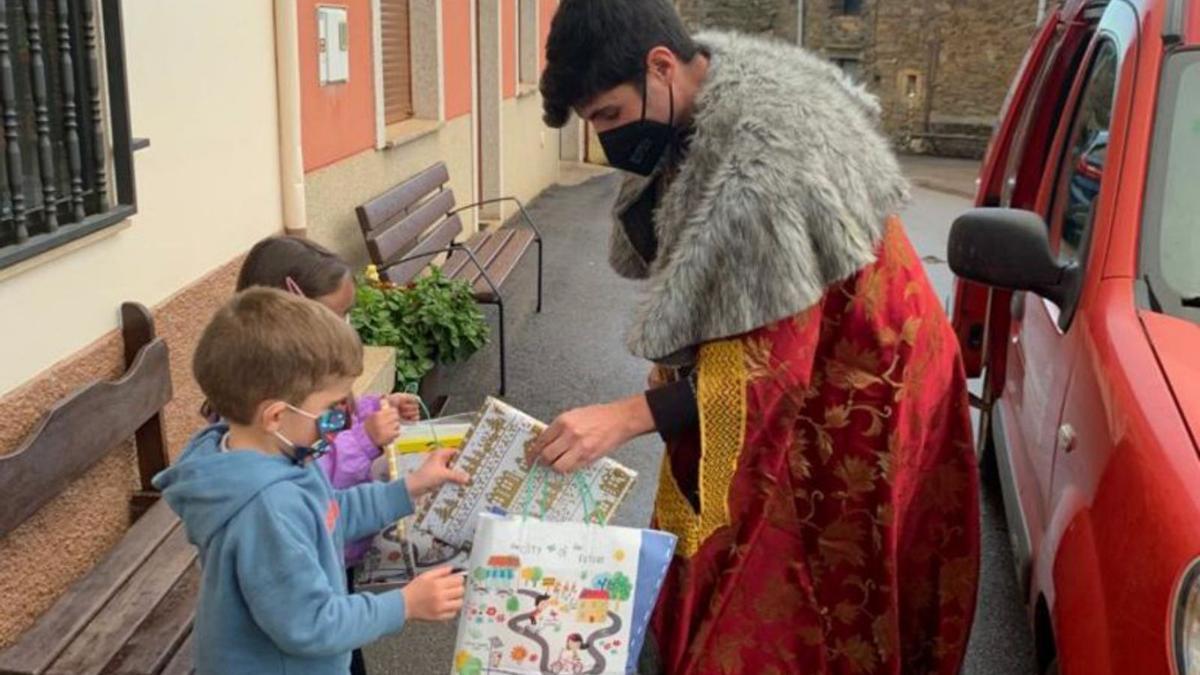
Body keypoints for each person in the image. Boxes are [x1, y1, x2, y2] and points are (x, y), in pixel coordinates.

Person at [530, 1, 980, 673]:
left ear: (661, 66)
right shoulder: (695, 96)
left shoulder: (768, 160)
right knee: (751, 542)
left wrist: (624, 417)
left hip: (865, 383)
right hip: (819, 351)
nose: (606, 142)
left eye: (609, 118)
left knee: (826, 569)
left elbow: (768, 371)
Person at [154, 288, 470, 675]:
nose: (344, 419)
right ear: (274, 417)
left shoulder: (276, 454)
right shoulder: (266, 508)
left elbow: (328, 512)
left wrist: (410, 487)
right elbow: (312, 624)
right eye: (331, 409)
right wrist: (403, 604)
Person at [234, 235, 422, 675]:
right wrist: (403, 605)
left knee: (343, 649)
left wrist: (378, 409)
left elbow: (329, 449)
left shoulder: (301, 384)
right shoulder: (268, 467)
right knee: (334, 641)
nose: (346, 328)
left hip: (332, 557)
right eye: (337, 316)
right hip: (311, 591)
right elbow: (318, 480)